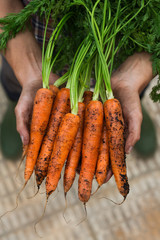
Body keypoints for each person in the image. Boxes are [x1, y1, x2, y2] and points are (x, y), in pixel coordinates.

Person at [0, 0, 155, 156]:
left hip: (119, 43)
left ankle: (134, 100)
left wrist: (136, 74)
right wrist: (29, 73)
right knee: (16, 81)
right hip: (33, 37)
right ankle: (15, 98)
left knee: (126, 92)